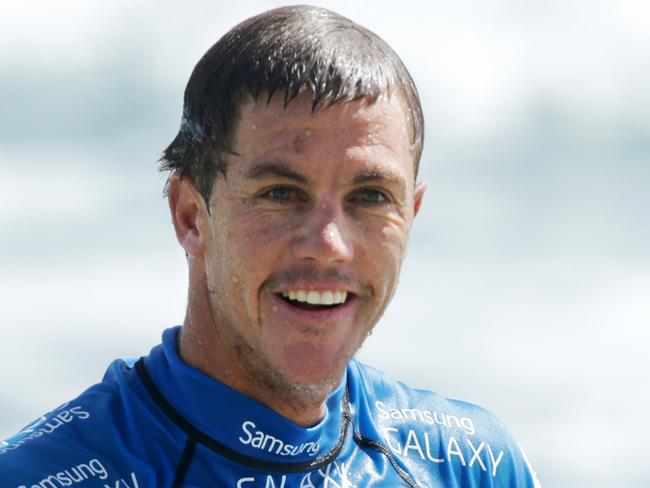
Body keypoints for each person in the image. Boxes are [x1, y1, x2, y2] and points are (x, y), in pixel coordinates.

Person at [0, 6, 540, 487]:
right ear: (190, 214)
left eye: (371, 196)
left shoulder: (471, 466)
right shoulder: (45, 476)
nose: (330, 245)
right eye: (281, 193)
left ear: (411, 215)